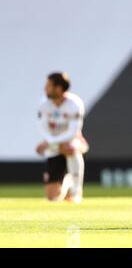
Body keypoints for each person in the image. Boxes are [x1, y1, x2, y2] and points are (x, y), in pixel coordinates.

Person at [36, 72, 88, 203]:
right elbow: (43, 130)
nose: (45, 88)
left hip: (71, 143)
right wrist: (55, 144)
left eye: (48, 86)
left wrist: (51, 143)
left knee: (72, 148)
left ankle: (76, 193)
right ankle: (68, 181)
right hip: (53, 147)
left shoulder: (75, 103)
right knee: (52, 198)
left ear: (58, 88)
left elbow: (73, 132)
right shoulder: (43, 104)